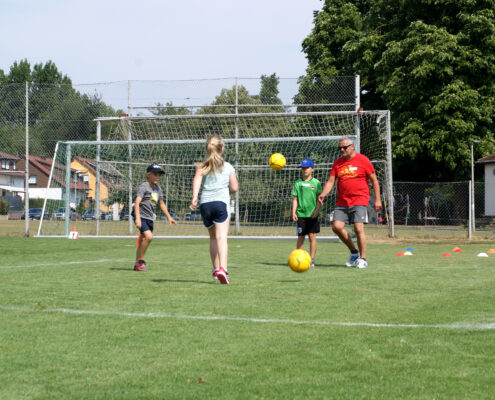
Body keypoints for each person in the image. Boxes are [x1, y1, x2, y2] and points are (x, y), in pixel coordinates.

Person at [318, 137, 382, 269]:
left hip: (360, 199)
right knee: (336, 227)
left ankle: (363, 259)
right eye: (340, 148)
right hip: (342, 201)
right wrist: (323, 193)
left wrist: (377, 199)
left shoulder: (363, 160)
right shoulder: (337, 163)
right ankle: (354, 252)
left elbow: (374, 180)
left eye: (344, 147)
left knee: (358, 228)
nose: (342, 150)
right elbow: (331, 181)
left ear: (352, 147)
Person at [190, 135, 239, 284]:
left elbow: (197, 179)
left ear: (207, 149)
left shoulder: (202, 166)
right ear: (222, 148)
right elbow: (234, 188)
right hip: (220, 203)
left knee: (212, 238)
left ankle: (215, 270)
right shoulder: (228, 166)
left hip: (205, 204)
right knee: (221, 237)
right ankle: (223, 269)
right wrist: (225, 191)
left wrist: (194, 197)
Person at [133, 163, 177, 271]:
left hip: (149, 217)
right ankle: (140, 261)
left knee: (143, 239)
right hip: (141, 216)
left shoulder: (158, 188)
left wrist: (169, 217)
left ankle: (137, 264)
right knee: (149, 237)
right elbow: (137, 202)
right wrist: (137, 218)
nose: (158, 177)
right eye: (155, 174)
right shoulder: (144, 186)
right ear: (148, 175)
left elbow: (161, 204)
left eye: (159, 175)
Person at [291, 158, 322, 268]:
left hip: (312, 215)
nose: (304, 170)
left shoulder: (316, 183)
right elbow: (295, 199)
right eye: (303, 168)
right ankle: (299, 259)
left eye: (307, 168)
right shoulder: (298, 183)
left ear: (312, 169)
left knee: (312, 237)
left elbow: (319, 199)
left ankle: (311, 260)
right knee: (301, 237)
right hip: (301, 215)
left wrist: (317, 210)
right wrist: (293, 212)